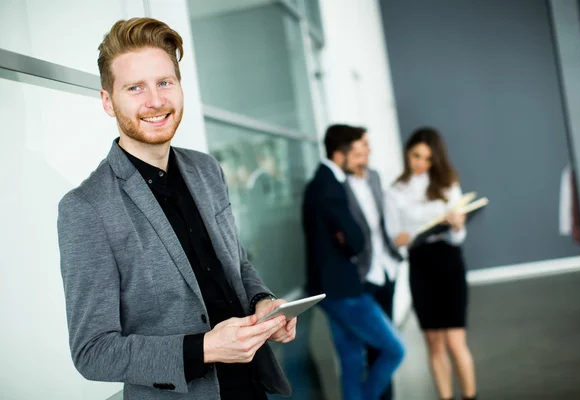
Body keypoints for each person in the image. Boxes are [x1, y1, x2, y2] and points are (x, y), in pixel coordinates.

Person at [57, 18, 296, 400]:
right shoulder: (86, 208)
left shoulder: (206, 169)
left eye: (164, 82)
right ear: (107, 101)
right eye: (135, 88)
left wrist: (261, 303)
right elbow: (93, 352)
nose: (155, 101)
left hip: (251, 387)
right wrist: (206, 349)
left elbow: (236, 264)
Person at [303, 124, 405, 400]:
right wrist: (349, 237)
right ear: (340, 155)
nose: (363, 160)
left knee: (351, 360)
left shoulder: (320, 182)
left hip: (330, 288)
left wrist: (346, 236)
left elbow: (349, 235)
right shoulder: (330, 186)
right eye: (357, 155)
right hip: (343, 290)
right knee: (395, 349)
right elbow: (357, 239)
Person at [386, 127, 476, 400]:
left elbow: (458, 238)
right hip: (421, 266)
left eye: (427, 158)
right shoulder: (395, 191)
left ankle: (471, 396)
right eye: (416, 156)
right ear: (407, 153)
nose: (421, 163)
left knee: (455, 341)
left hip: (449, 263)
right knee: (434, 342)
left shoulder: (448, 183)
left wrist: (458, 225)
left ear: (436, 159)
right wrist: (399, 239)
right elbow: (394, 237)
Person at [344, 126, 405, 400]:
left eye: (367, 145)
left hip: (386, 271)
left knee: (385, 346)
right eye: (362, 146)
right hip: (362, 277)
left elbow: (383, 222)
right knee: (371, 347)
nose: (368, 150)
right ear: (347, 151)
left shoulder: (375, 177)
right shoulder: (341, 187)